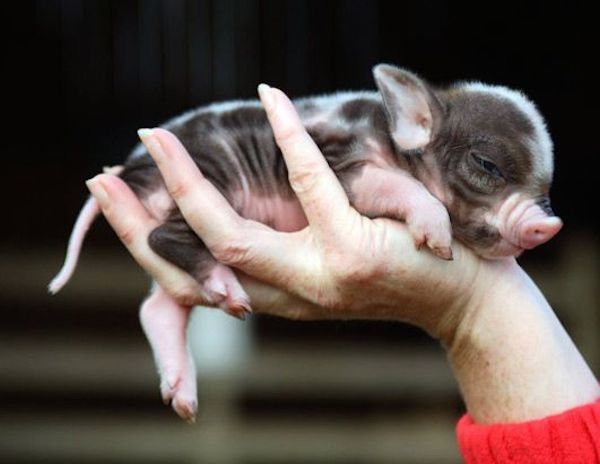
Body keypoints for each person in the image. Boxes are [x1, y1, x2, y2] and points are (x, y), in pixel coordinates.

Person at [86, 84, 600, 462]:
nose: (532, 221)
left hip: (216, 190)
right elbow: (358, 182)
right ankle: (175, 296)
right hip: (207, 170)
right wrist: (418, 204)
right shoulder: (376, 140)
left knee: (199, 257)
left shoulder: (418, 146)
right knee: (193, 233)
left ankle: (165, 309)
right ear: (417, 121)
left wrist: (471, 296)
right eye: (488, 170)